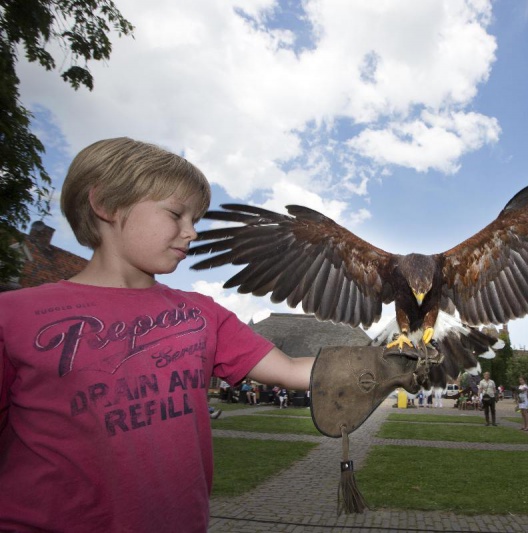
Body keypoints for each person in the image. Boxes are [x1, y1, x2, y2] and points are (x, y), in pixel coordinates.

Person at [0, 138, 315, 532]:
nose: (192, 232)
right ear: (107, 205)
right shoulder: (13, 314)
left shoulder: (202, 315)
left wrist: (394, 363)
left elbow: (291, 370)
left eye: (196, 220)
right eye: (176, 214)